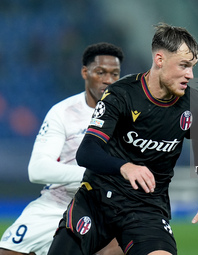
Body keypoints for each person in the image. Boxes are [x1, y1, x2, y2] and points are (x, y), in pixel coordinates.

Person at [47, 23, 198, 255]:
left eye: (192, 67)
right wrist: (124, 167)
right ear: (160, 59)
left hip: (147, 208)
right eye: (184, 66)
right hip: (98, 200)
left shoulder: (196, 104)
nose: (190, 75)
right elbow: (87, 151)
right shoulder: (121, 94)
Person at [0, 42, 125, 255]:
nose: (108, 80)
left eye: (115, 74)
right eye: (101, 72)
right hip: (58, 204)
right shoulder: (63, 112)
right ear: (85, 72)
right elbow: (38, 170)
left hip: (105, 208)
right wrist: (97, 175)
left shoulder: (128, 115)